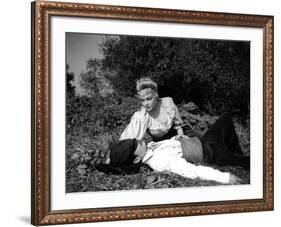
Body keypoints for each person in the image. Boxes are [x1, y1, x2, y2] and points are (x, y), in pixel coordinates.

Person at [97, 113, 249, 184]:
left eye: (135, 139)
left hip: (202, 141)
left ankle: (234, 154)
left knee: (226, 118)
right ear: (137, 158)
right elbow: (192, 172)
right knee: (251, 163)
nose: (139, 140)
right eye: (135, 144)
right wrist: (224, 177)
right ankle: (236, 159)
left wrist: (176, 139)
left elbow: (165, 145)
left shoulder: (148, 148)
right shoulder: (160, 161)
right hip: (210, 152)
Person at [120, 77, 184, 142]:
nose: (145, 104)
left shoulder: (168, 104)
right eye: (142, 100)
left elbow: (178, 125)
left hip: (176, 139)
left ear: (156, 95)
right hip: (160, 145)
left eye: (149, 99)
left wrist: (180, 134)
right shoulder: (142, 116)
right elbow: (128, 139)